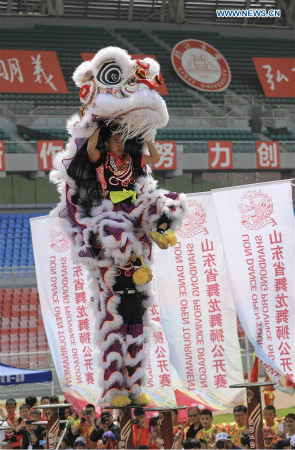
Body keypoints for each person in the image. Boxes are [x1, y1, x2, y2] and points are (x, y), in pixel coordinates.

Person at [51, 47, 187, 407]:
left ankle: (136, 386)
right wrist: (96, 126)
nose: (118, 143)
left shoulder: (132, 158)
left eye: (120, 140)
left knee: (166, 201)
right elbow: (89, 151)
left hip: (133, 214)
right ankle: (114, 390)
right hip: (109, 219)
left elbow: (154, 160)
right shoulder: (101, 158)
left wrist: (146, 139)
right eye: (115, 139)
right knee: (114, 314)